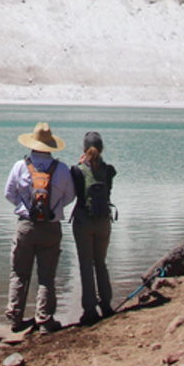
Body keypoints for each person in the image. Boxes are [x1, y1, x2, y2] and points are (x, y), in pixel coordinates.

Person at [3, 121, 75, 332]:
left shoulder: (19, 166)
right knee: (46, 276)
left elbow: (8, 194)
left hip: (26, 226)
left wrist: (24, 207)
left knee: (19, 273)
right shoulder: (61, 169)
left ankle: (15, 319)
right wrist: (54, 208)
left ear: (32, 144)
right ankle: (44, 320)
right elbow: (70, 196)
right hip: (51, 228)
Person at [70, 131, 117, 325]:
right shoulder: (109, 170)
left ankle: (89, 310)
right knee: (101, 262)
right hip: (103, 221)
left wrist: (81, 164)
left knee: (85, 264)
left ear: (83, 149)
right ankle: (106, 305)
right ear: (102, 149)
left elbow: (75, 192)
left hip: (83, 220)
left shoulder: (76, 170)